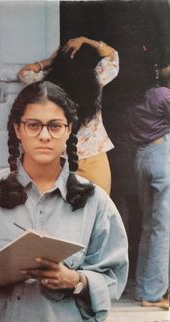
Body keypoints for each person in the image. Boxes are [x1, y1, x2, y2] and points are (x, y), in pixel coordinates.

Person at [0, 81, 128, 322]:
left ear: (69, 130)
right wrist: (4, 266)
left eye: (55, 126)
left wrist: (74, 280)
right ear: (18, 130)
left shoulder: (95, 202)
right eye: (33, 125)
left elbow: (111, 276)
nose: (44, 136)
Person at [18, 36, 119, 195]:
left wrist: (51, 60)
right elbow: (112, 55)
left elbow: (24, 72)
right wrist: (85, 40)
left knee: (63, 215)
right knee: (100, 213)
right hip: (95, 161)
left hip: (61, 163)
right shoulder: (96, 79)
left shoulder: (46, 85)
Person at [130, 49, 170, 310]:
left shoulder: (137, 97)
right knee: (163, 228)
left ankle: (142, 288)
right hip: (162, 156)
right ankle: (153, 295)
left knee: (148, 226)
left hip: (142, 157)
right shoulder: (163, 94)